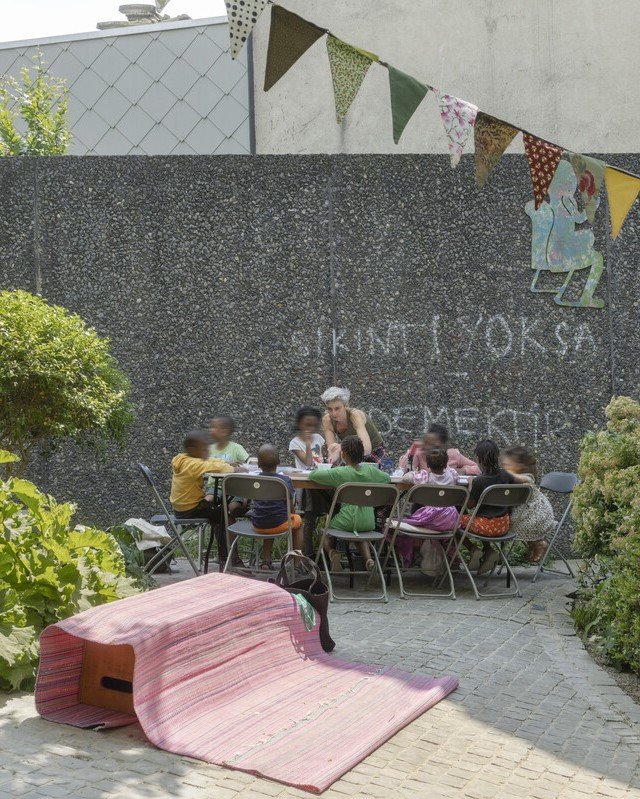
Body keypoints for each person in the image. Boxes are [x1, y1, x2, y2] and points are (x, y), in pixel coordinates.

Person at [308, 435, 391, 575]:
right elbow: (387, 479)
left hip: (345, 520)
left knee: (324, 533)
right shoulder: (371, 472)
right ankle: (368, 560)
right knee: (359, 535)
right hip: (367, 522)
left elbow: (313, 476)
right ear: (361, 454)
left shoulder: (339, 473)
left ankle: (333, 554)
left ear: (343, 454)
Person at [459, 439, 527, 575]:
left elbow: (470, 505)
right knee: (481, 516)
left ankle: (473, 549)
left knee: (452, 521)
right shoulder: (506, 475)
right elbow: (520, 484)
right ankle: (489, 551)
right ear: (497, 456)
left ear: (479, 460)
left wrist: (471, 484)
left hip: (487, 527)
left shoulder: (479, 481)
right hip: (503, 525)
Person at [170, 430, 235, 568]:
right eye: (204, 449)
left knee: (217, 511)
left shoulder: (183, 459)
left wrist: (225, 462)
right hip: (191, 509)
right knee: (224, 517)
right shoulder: (193, 465)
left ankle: (224, 557)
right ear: (192, 449)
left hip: (182, 508)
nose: (207, 452)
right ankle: (229, 559)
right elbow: (212, 466)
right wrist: (234, 469)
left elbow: (207, 461)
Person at [393, 447, 460, 568]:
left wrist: (412, 471)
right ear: (446, 463)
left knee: (397, 522)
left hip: (432, 519)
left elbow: (405, 478)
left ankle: (415, 554)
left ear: (428, 464)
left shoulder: (425, 477)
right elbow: (456, 476)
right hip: (451, 520)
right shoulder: (453, 474)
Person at [207, 414, 250, 567]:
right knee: (211, 503)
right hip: (215, 487)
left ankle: (229, 556)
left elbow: (250, 463)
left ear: (225, 431)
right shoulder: (208, 449)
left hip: (235, 488)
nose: (210, 430)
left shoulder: (236, 448)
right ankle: (229, 556)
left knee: (232, 509)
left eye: (214, 427)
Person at [251, 444, 302, 571]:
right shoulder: (285, 480)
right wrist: (293, 513)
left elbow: (247, 501)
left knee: (270, 516)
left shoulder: (253, 479)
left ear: (258, 464)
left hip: (257, 525)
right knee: (299, 522)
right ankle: (297, 563)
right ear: (279, 462)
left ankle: (265, 561)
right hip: (278, 525)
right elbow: (290, 508)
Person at [501, 445, 555, 563]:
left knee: (511, 522)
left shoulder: (527, 477)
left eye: (508, 466)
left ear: (520, 466)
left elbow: (519, 479)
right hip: (525, 514)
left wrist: (503, 473)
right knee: (508, 519)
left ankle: (538, 543)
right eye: (504, 466)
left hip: (538, 515)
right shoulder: (510, 478)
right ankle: (533, 544)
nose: (505, 469)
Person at [321, 386, 385, 464]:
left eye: (337, 408)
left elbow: (366, 448)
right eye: (330, 409)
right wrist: (331, 460)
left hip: (374, 451)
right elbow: (332, 451)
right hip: (350, 452)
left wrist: (342, 447)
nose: (333, 413)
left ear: (346, 406)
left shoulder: (355, 415)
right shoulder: (327, 420)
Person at [399, 423, 480, 475]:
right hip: (424, 498)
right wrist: (413, 449)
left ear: (444, 446)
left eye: (434, 445)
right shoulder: (420, 454)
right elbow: (403, 469)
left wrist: (464, 471)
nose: (429, 447)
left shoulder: (453, 454)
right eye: (427, 443)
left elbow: (478, 468)